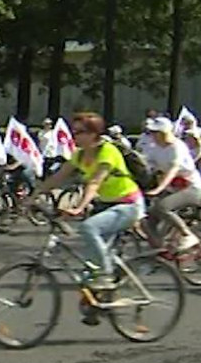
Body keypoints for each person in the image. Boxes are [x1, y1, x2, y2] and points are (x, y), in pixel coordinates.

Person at [36, 113, 145, 321]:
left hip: (129, 205)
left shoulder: (108, 151)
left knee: (89, 229)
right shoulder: (79, 154)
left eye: (79, 132)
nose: (74, 135)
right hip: (106, 205)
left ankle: (105, 277)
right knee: (90, 263)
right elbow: (58, 177)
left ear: (94, 134)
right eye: (73, 131)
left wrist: (79, 207)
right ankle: (101, 302)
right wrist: (33, 196)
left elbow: (94, 182)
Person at [141, 117, 201, 252]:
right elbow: (145, 164)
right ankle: (160, 251)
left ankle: (187, 235)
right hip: (172, 188)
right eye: (151, 132)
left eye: (155, 132)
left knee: (162, 207)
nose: (152, 135)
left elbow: (173, 170)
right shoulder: (153, 148)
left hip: (191, 188)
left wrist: (159, 189)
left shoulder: (177, 147)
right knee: (148, 220)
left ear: (165, 132)